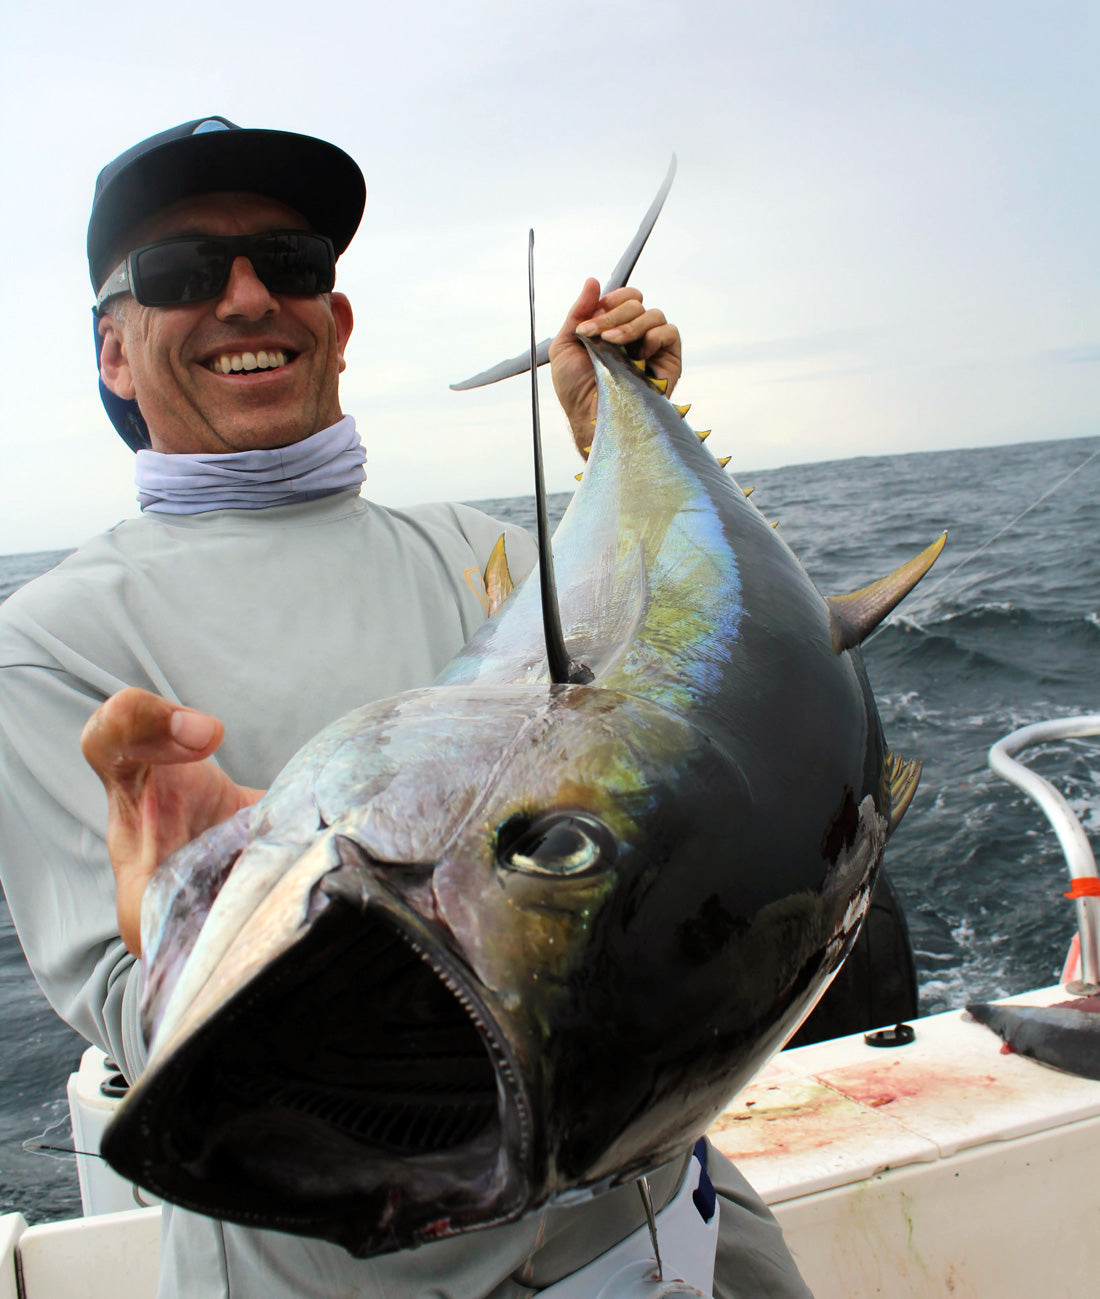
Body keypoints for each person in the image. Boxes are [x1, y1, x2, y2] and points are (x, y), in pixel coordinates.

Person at [0, 117, 812, 1298]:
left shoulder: (485, 551)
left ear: (334, 321)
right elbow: (151, 1030)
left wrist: (614, 448)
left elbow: (710, 737)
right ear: (112, 354)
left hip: (677, 1225)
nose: (244, 299)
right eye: (180, 274)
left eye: (289, 264)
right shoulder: (49, 645)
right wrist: (203, 918)